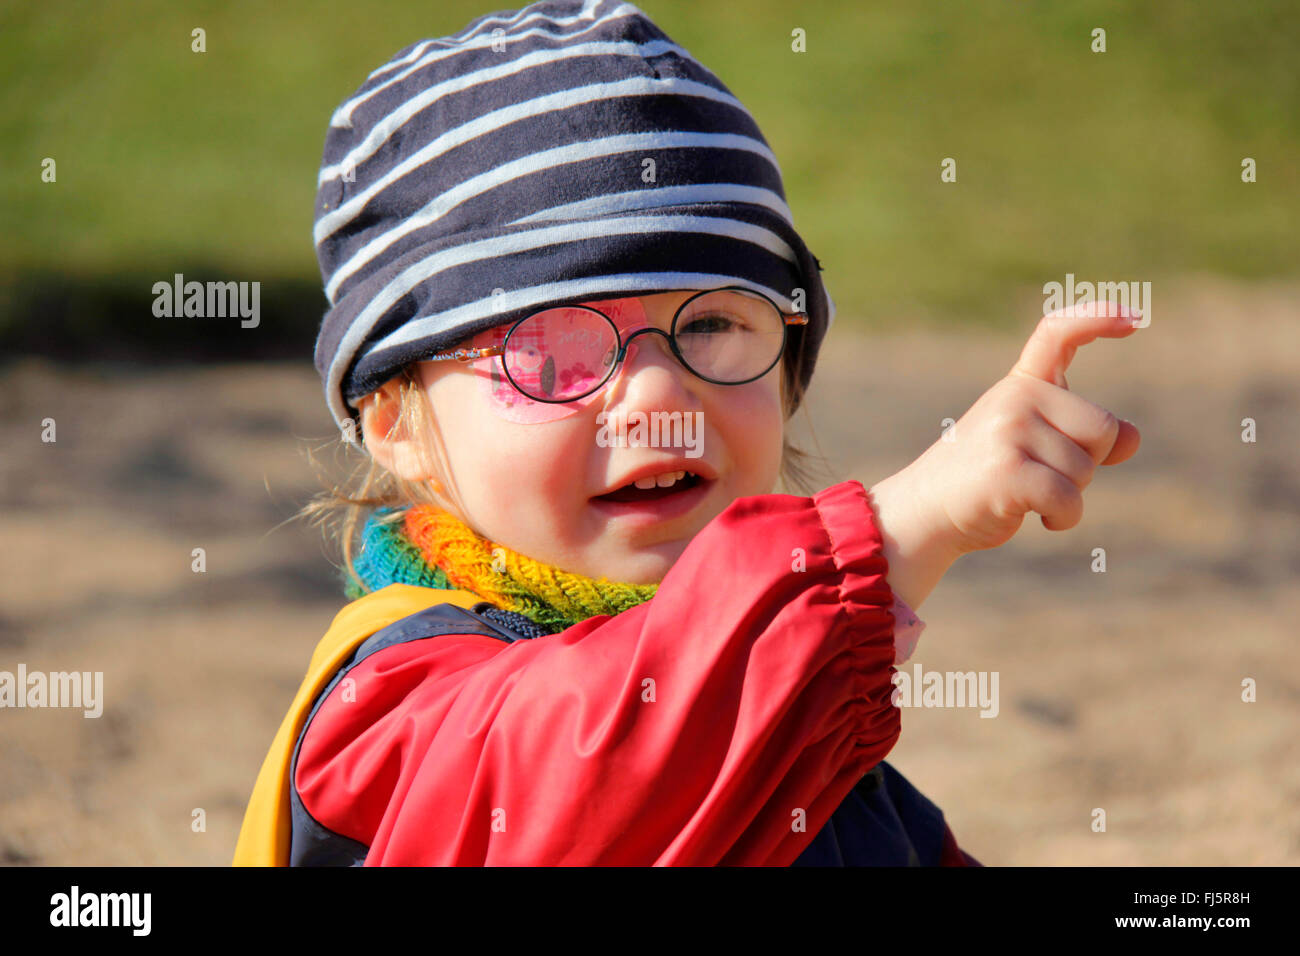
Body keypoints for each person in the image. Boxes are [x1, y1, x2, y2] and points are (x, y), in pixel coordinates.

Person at [233, 0, 1140, 866]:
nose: (660, 395)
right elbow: (596, 779)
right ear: (396, 424)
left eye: (711, 324)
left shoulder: (812, 739)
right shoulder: (391, 709)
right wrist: (894, 535)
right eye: (549, 350)